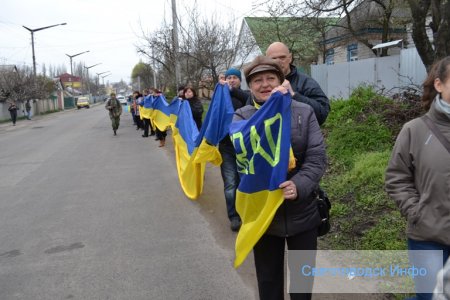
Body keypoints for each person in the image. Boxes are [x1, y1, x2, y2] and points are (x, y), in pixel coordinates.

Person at [233, 56, 327, 300]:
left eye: (270, 78)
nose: (264, 84)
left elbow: (317, 158)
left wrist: (299, 185)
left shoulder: (304, 112)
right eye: (257, 80)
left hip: (302, 213)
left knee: (302, 285)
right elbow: (244, 163)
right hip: (263, 217)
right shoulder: (241, 118)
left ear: (281, 80)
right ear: (250, 86)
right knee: (268, 283)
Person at [385, 56, 450, 300]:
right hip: (428, 237)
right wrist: (417, 212)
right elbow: (396, 177)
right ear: (439, 85)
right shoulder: (415, 130)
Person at [265, 42, 330, 125]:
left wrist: (294, 95)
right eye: (273, 58)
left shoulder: (305, 82)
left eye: (282, 57)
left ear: (290, 58)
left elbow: (322, 114)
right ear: (266, 61)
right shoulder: (261, 86)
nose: (278, 62)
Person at [218, 68, 248, 231]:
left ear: (239, 80)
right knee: (230, 183)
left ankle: (246, 213)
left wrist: (232, 91)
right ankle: (234, 216)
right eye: (228, 78)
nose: (231, 80)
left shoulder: (246, 95)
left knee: (246, 181)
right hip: (226, 147)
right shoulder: (222, 97)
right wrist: (220, 90)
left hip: (245, 147)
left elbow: (248, 100)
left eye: (234, 77)